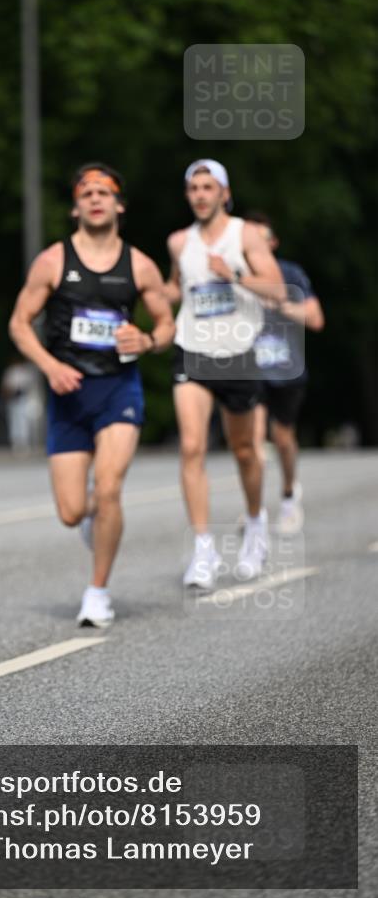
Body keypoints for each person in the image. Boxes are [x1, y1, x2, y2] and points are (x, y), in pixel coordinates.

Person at [9, 163, 175, 627]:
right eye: (87, 192)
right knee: (71, 511)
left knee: (109, 488)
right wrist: (50, 366)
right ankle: (91, 522)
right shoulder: (53, 261)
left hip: (118, 388)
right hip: (68, 392)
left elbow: (167, 325)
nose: (96, 198)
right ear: (75, 206)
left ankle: (97, 592)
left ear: (119, 205)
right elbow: (19, 324)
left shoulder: (140, 264)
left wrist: (146, 341)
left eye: (105, 192)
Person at [164, 160, 286, 590]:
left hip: (237, 352)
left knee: (245, 452)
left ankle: (255, 526)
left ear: (224, 193)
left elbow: (277, 289)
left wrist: (233, 274)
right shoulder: (179, 241)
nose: (200, 194)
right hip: (192, 350)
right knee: (192, 446)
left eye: (207, 187)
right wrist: (153, 295)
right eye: (193, 187)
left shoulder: (245, 235)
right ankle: (203, 549)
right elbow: (176, 287)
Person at [245, 211, 325, 534]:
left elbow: (316, 319)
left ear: (273, 243)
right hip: (249, 370)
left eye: (263, 239)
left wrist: (281, 306)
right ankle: (256, 509)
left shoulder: (291, 274)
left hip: (286, 368)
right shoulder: (237, 276)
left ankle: (290, 494)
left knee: (281, 438)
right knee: (252, 441)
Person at [0, 357, 42, 454]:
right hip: (13, 399)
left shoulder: (26, 372)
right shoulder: (10, 372)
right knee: (15, 422)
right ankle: (17, 443)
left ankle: (26, 443)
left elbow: (30, 386)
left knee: (24, 422)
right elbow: (6, 387)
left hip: (24, 399)